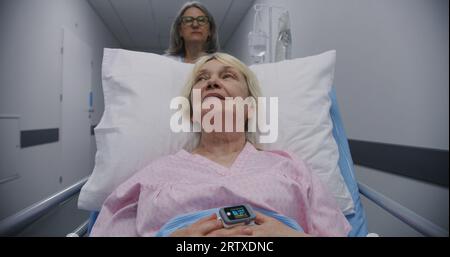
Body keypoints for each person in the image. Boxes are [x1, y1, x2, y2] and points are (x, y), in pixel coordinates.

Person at [90, 53, 351, 237]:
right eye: (202, 79)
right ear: (192, 112)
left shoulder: (292, 168)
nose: (212, 82)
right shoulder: (153, 176)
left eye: (227, 76)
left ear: (250, 108)